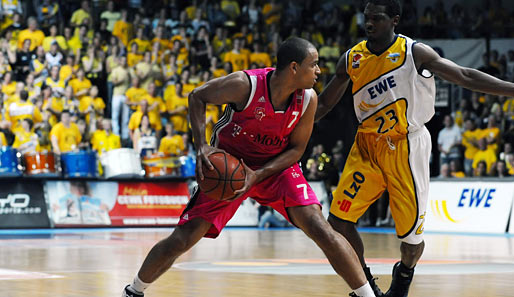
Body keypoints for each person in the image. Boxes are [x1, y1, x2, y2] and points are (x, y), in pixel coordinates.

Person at [122, 37, 376, 297]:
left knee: (320, 227)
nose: (319, 71)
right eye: (314, 65)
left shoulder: (308, 100)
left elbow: (297, 150)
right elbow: (197, 96)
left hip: (275, 167)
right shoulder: (245, 85)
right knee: (183, 238)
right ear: (293, 68)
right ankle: (134, 291)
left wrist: (260, 174)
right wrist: (201, 146)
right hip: (230, 167)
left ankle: (366, 295)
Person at [314, 1, 514, 296]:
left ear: (394, 20)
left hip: (407, 147)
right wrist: (291, 126)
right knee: (338, 221)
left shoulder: (415, 52)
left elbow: (465, 76)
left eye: (377, 18)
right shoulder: (352, 57)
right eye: (367, 18)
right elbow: (326, 103)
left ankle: (404, 274)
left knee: (411, 240)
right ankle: (365, 284)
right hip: (367, 145)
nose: (369, 23)